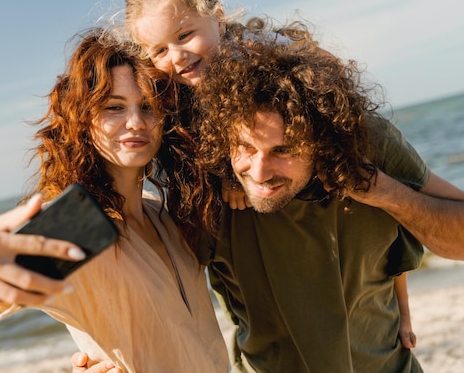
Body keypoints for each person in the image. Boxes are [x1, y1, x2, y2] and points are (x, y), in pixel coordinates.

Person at [123, 0, 425, 349]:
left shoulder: (255, 51)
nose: (177, 56)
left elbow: (323, 83)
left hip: (319, 141)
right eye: (160, 50)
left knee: (377, 226)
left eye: (185, 35)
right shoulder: (176, 89)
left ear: (216, 17)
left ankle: (402, 307)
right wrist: (228, 178)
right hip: (271, 195)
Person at [0, 28, 229, 372]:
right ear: (83, 119)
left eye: (148, 107)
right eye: (114, 107)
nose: (136, 122)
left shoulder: (164, 212)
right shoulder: (80, 226)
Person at [191, 31, 464, 372]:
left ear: (322, 139)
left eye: (283, 150)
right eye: (245, 148)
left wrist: (384, 192)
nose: (259, 173)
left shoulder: (367, 144)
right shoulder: (203, 180)